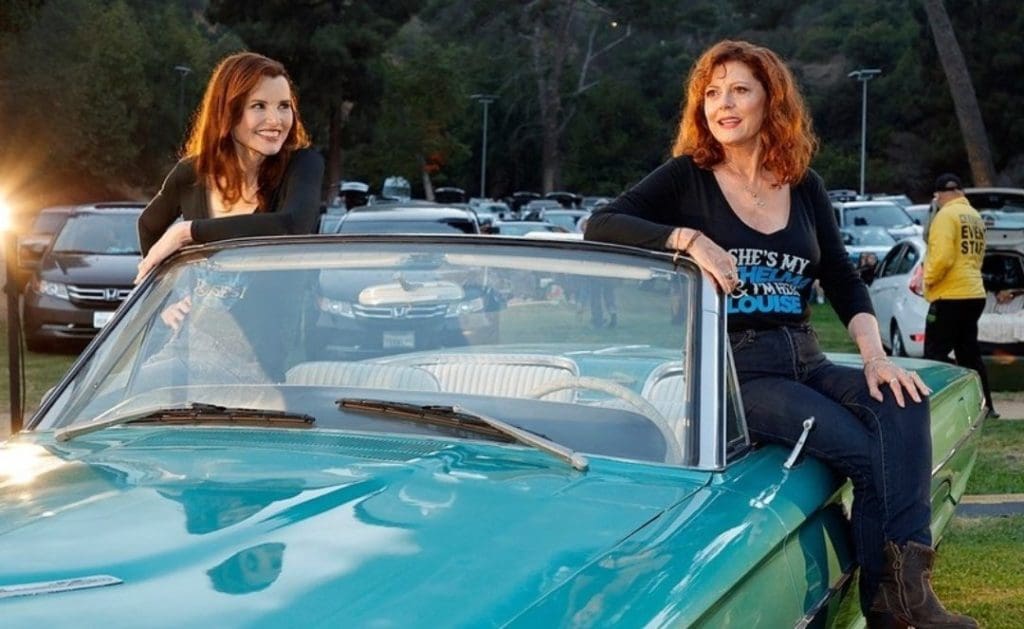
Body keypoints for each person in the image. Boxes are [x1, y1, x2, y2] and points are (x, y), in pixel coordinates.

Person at [585, 40, 976, 628]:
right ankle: (893, 605)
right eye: (713, 93)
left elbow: (843, 279)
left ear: (771, 100)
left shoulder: (803, 184)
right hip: (737, 369)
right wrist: (687, 239)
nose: (725, 104)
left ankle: (904, 597)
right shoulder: (686, 179)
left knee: (903, 406)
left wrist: (874, 357)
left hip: (806, 356)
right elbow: (600, 224)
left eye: (740, 89)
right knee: (868, 454)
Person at [136, 51, 324, 284]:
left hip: (283, 321)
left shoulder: (303, 164)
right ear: (227, 112)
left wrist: (187, 232)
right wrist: (168, 294)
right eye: (259, 106)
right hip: (200, 321)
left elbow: (293, 226)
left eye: (284, 106)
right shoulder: (190, 173)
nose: (276, 120)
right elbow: (147, 225)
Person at [923, 173, 997, 418]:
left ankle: (935, 407)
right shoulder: (975, 217)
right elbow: (979, 255)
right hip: (974, 292)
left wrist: (928, 281)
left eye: (936, 196)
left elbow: (942, 257)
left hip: (950, 294)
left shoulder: (945, 216)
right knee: (969, 353)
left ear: (941, 194)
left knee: (934, 354)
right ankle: (985, 406)